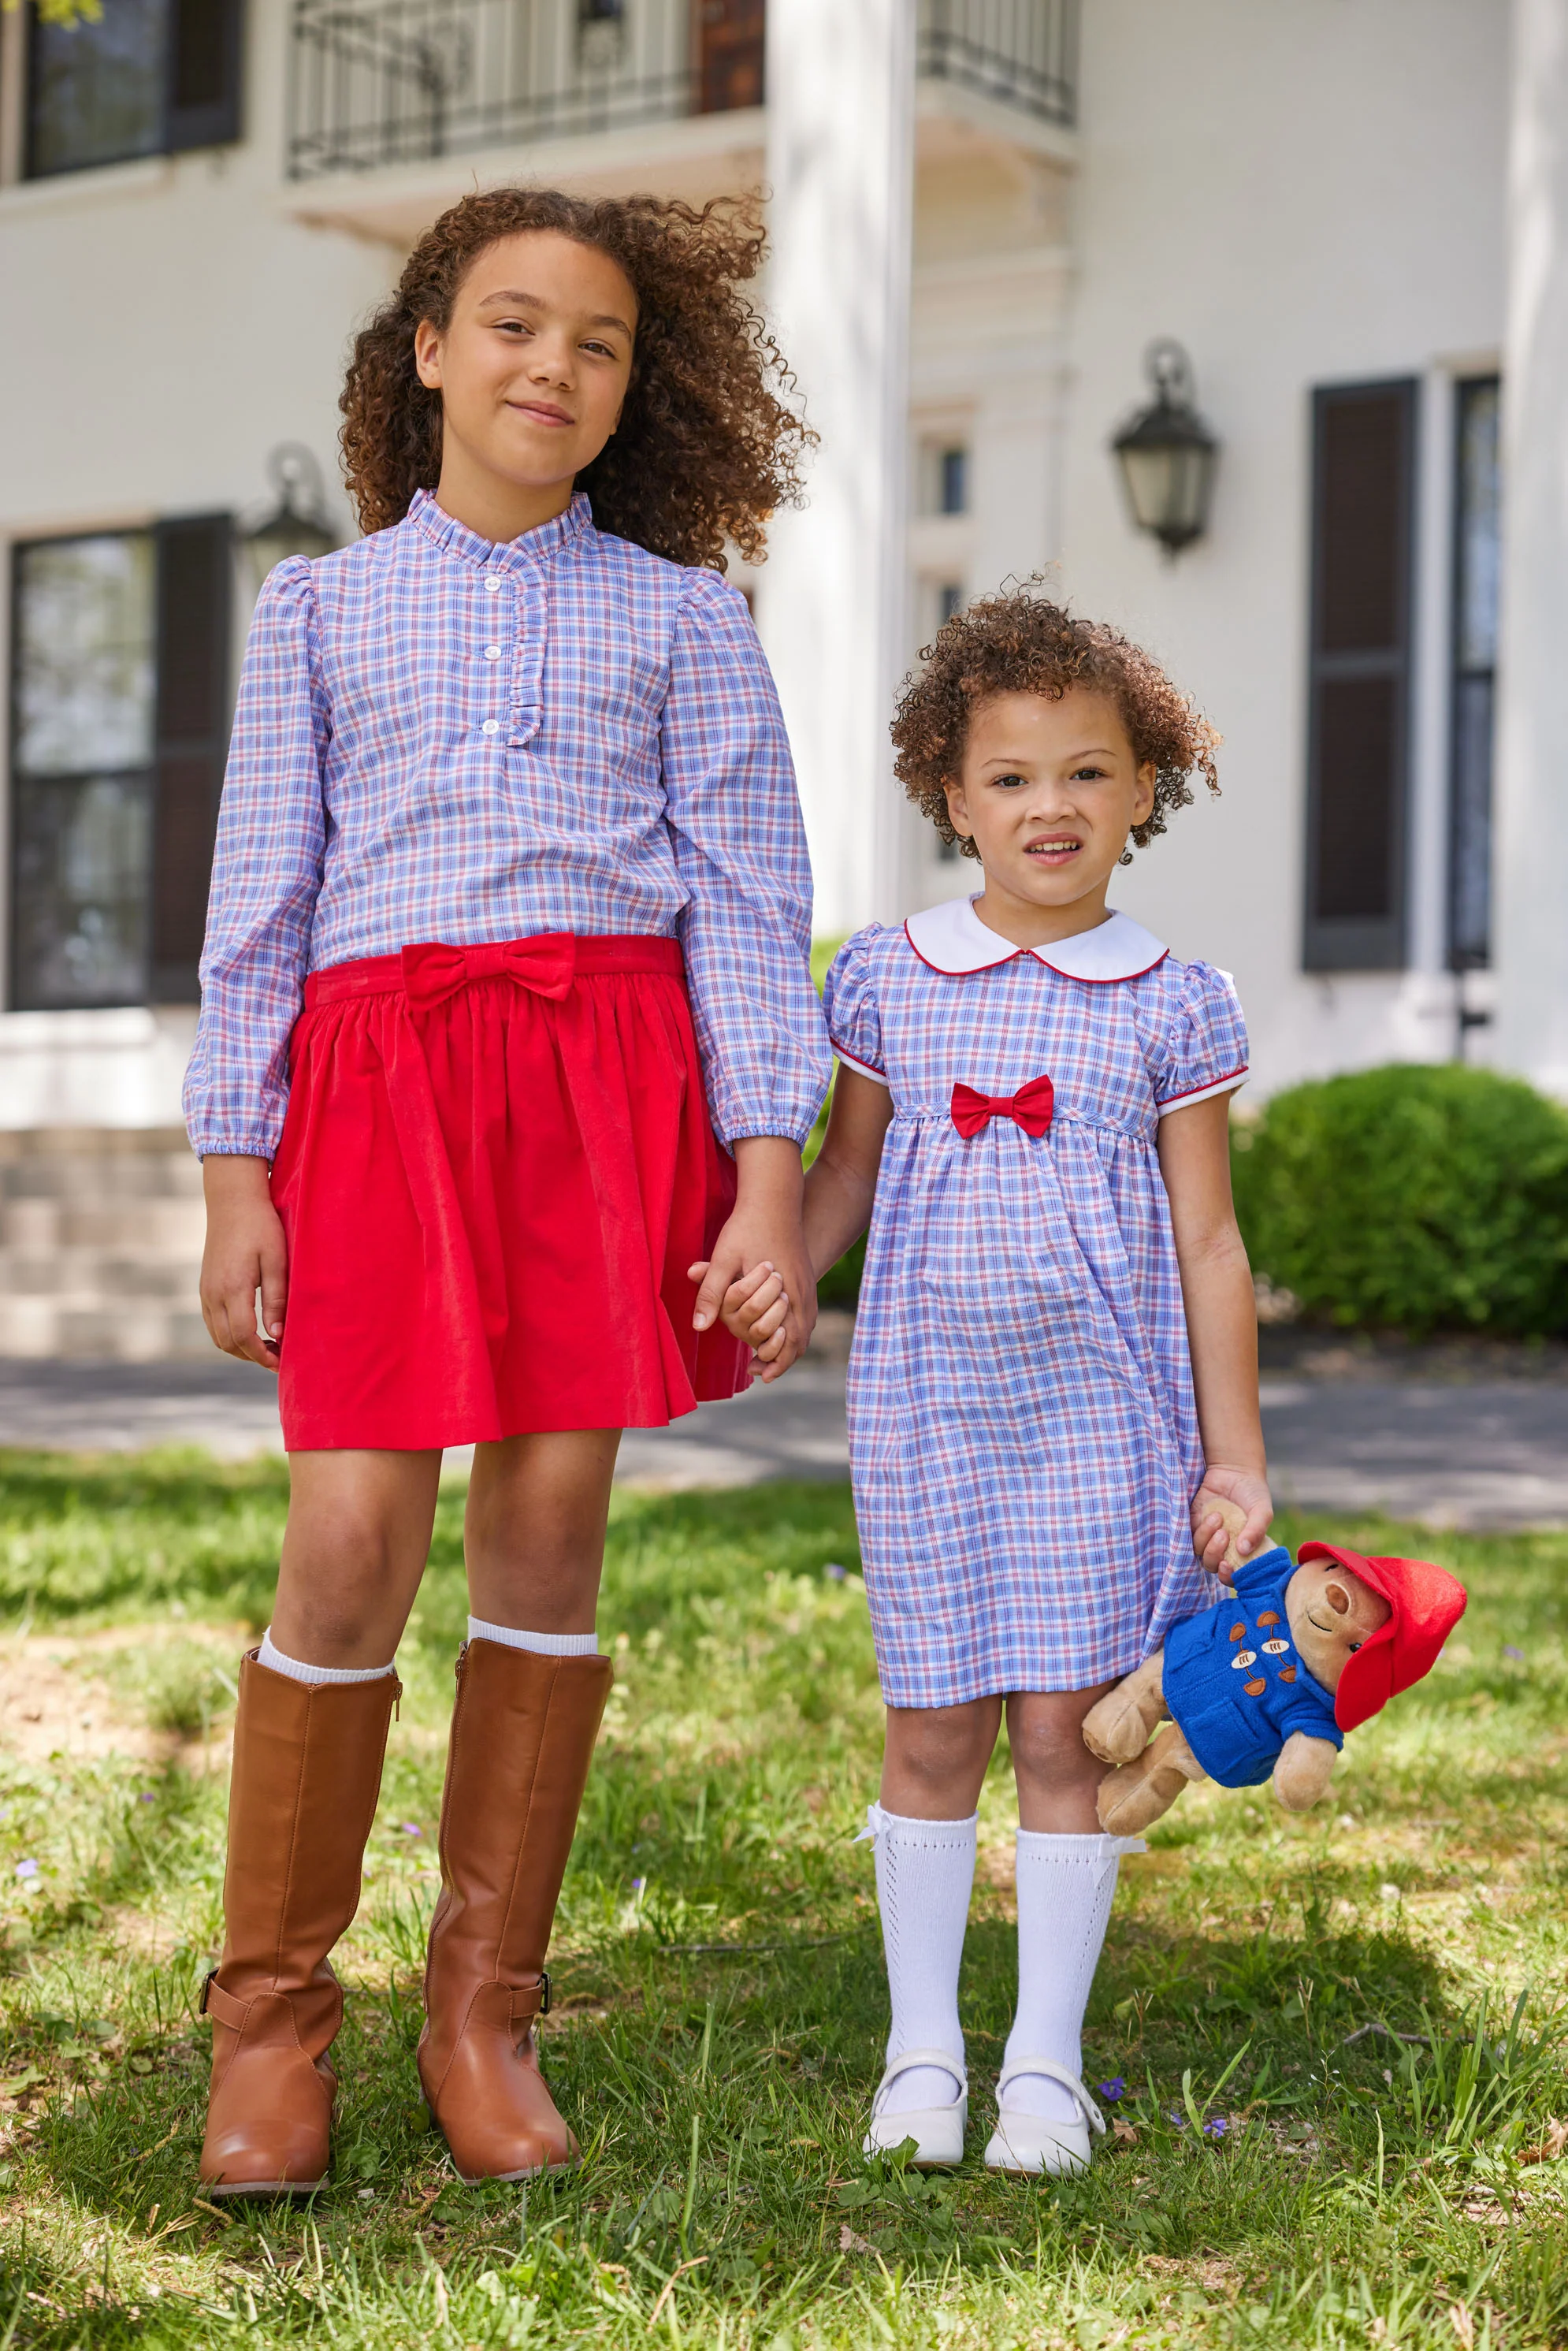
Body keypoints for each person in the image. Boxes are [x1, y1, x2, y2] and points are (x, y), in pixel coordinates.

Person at [183, 187, 829, 2197]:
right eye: (516, 325)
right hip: (376, 1102)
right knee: (351, 1544)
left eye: (602, 342)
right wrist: (234, 1173)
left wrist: (762, 1185)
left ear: (638, 392)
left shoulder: (684, 619)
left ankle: (483, 2009)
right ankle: (273, 2023)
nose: (554, 364)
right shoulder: (313, 608)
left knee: (545, 1541)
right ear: (430, 353)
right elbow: (256, 914)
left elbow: (746, 910)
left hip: (602, 1090)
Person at [724, 590, 1268, 2175]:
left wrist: (1231, 1462)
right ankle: (919, 2053)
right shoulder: (889, 979)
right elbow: (837, 1177)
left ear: (1143, 791)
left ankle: (1040, 2061)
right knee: (928, 1729)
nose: (1050, 808)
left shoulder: (1173, 1000)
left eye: (1087, 774)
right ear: (948, 797)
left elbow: (1211, 1246)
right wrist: (772, 1278)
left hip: (1105, 1423)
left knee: (1062, 1736)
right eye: (1012, 778)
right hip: (924, 1412)